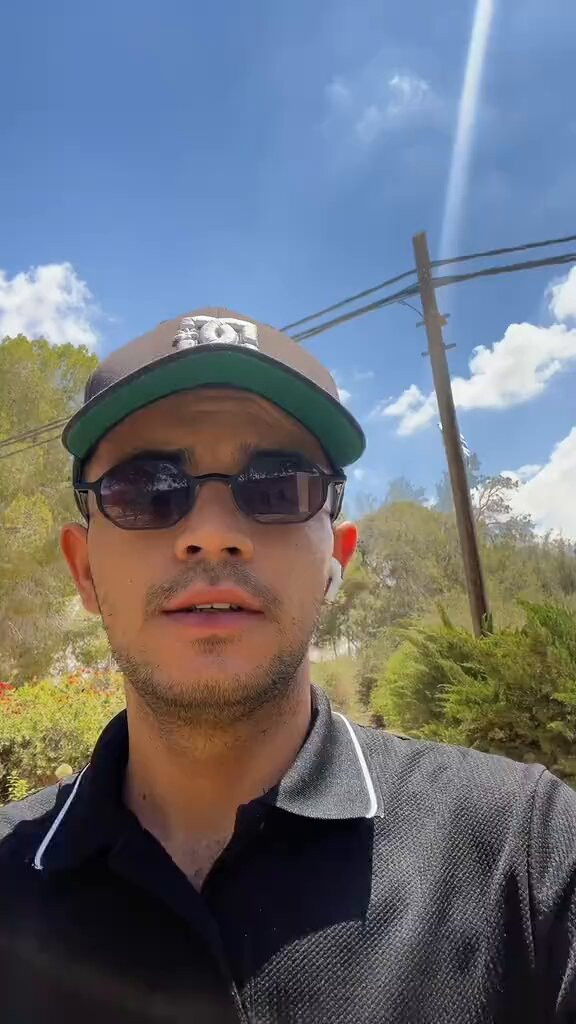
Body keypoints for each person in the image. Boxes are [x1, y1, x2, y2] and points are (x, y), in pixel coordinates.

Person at [0, 309, 575, 1024]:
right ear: (84, 570)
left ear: (337, 561)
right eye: (146, 489)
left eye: (277, 486)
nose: (212, 533)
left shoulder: (526, 854)